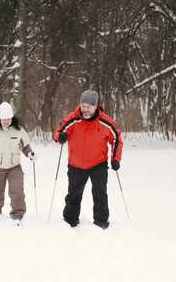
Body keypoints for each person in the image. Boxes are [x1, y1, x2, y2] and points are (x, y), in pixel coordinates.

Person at [53, 90, 123, 229]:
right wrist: (60, 137)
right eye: (83, 106)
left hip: (98, 164)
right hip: (76, 164)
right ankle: (70, 220)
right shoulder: (73, 119)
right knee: (74, 194)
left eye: (89, 107)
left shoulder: (105, 122)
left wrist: (115, 158)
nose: (85, 110)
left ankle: (101, 221)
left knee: (100, 193)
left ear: (96, 106)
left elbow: (116, 139)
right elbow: (58, 132)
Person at [0, 102, 36, 224]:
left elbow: (25, 146)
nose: (6, 121)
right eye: (3, 119)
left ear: (12, 117)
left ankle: (18, 214)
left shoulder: (18, 129)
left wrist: (30, 153)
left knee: (17, 191)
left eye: (8, 119)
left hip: (14, 167)